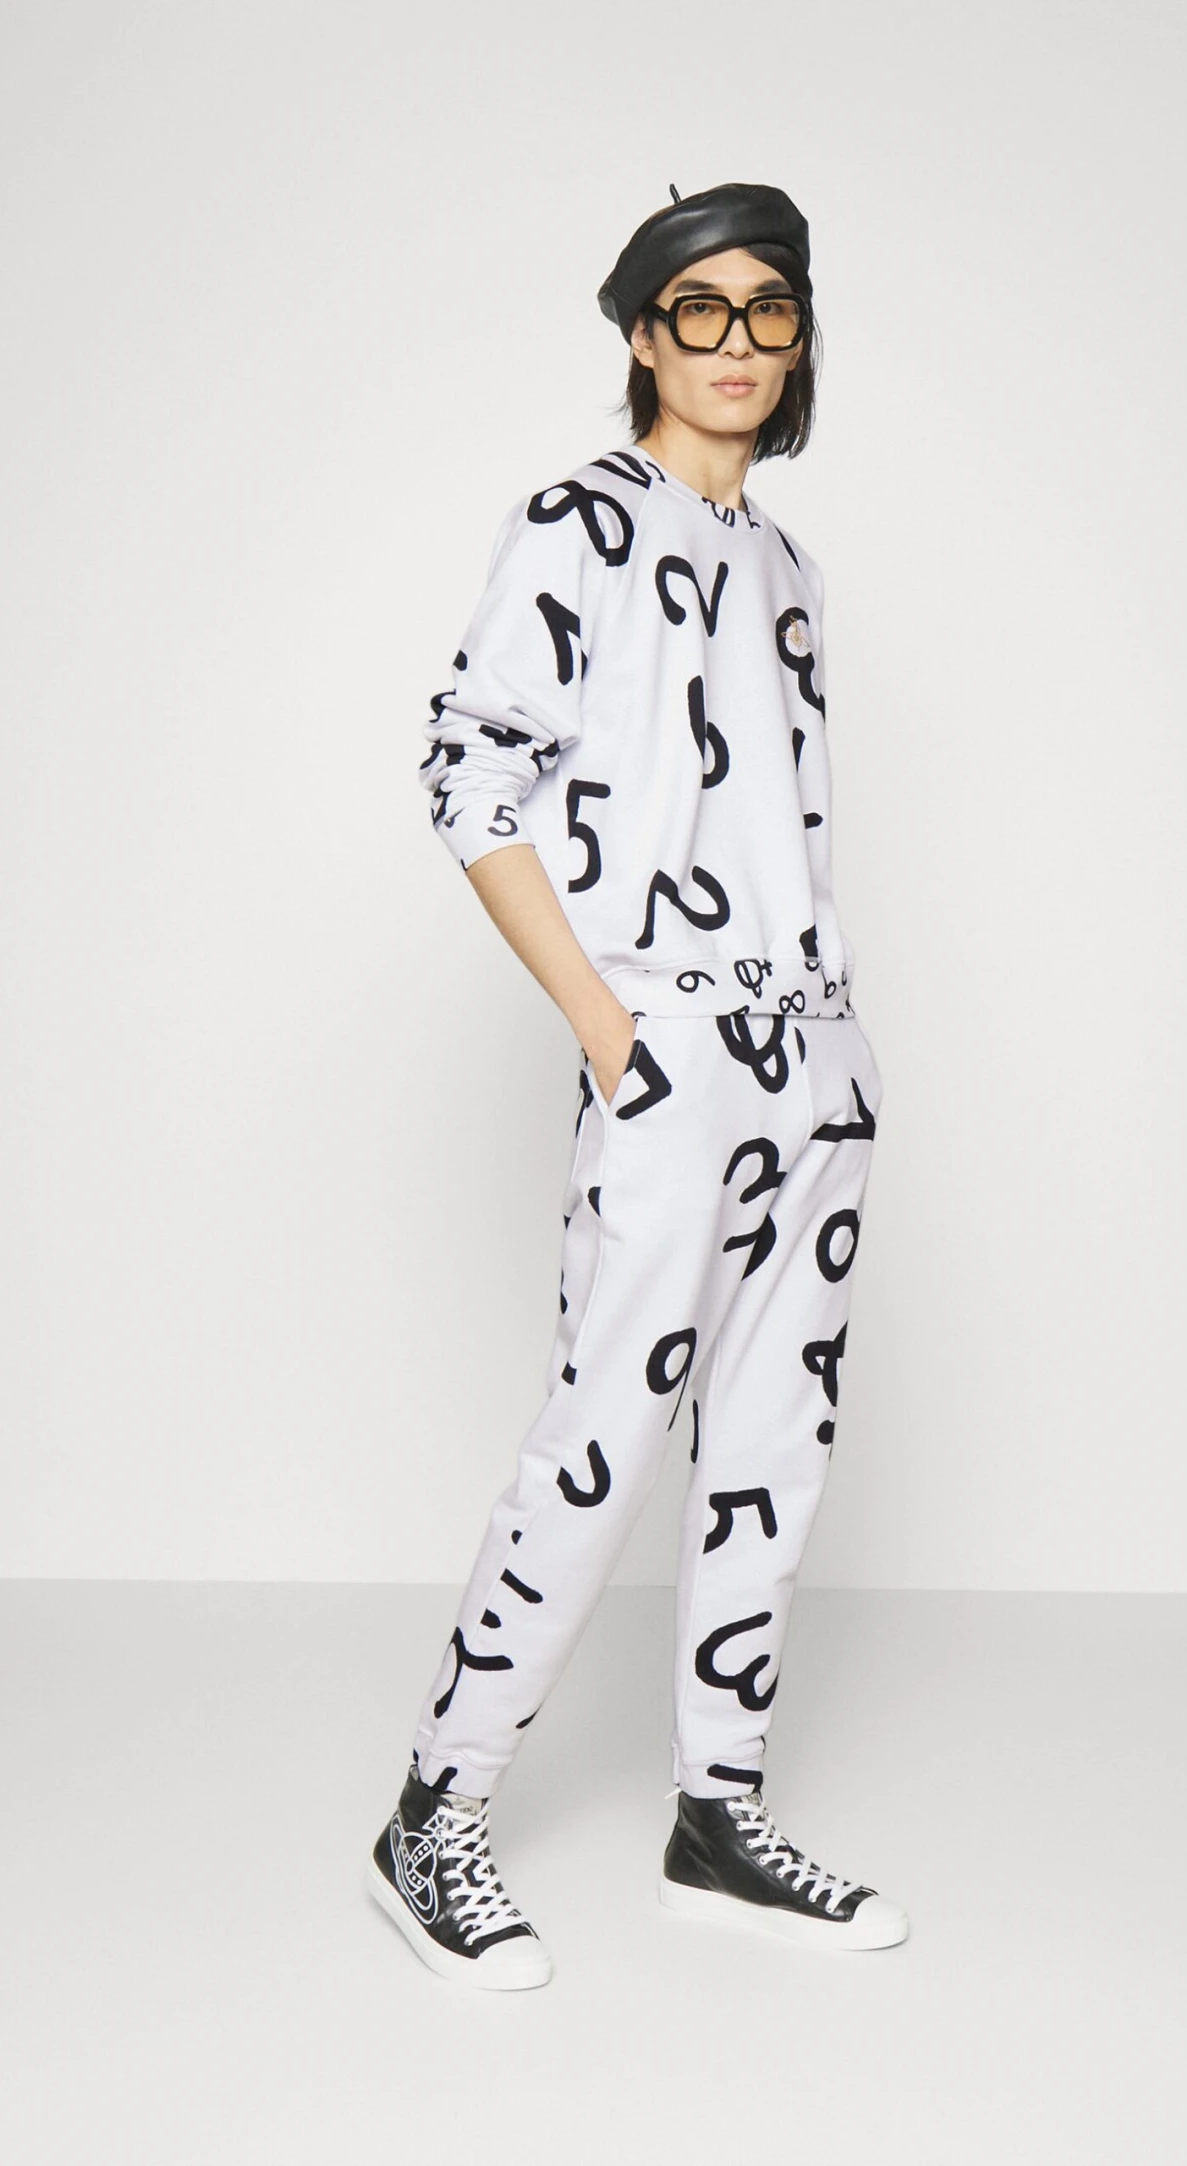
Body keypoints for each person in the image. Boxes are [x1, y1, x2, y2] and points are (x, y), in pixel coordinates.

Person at [366, 180, 907, 1990]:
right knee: (602, 1440)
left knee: (772, 1444)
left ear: (801, 339)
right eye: (701, 309)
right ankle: (435, 1809)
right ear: (642, 334)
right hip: (671, 1053)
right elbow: (468, 772)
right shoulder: (577, 524)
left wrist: (836, 1054)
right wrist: (610, 1028)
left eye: (770, 309)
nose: (738, 341)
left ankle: (716, 1810)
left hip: (809, 1059)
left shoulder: (793, 570)